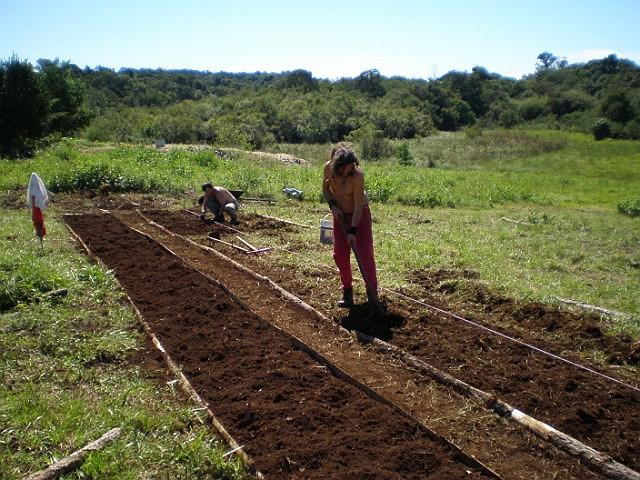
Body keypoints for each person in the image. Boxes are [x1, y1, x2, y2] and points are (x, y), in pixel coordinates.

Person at [322, 143, 378, 308]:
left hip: (359, 215)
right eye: (343, 170)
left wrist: (353, 230)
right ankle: (347, 292)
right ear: (336, 165)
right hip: (340, 216)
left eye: (350, 169)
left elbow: (359, 206)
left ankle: (372, 293)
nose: (347, 172)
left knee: (365, 253)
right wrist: (333, 206)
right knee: (339, 255)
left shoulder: (358, 176)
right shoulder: (328, 168)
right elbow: (325, 190)